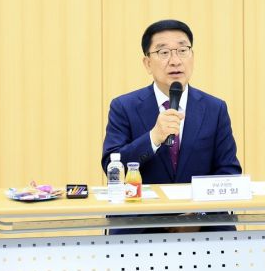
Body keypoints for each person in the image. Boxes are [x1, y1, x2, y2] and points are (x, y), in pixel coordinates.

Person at [102, 18, 241, 187]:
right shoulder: (124, 107)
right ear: (148, 63)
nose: (175, 61)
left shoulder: (215, 109)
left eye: (182, 50)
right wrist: (153, 138)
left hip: (197, 204)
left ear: (192, 57)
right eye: (164, 52)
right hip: (143, 204)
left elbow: (229, 171)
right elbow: (112, 167)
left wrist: (201, 203)